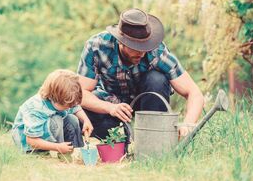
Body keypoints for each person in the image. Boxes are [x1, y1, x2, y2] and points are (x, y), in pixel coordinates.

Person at [77, 8, 204, 141]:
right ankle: (123, 138)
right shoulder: (97, 46)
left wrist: (187, 125)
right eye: (136, 47)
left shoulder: (157, 52)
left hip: (148, 106)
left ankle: (154, 141)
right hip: (111, 106)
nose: (142, 53)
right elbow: (81, 94)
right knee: (79, 116)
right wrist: (110, 108)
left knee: (157, 79)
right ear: (121, 41)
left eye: (145, 47)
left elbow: (194, 93)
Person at [11, 69, 93, 154]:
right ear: (53, 97)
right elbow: (31, 140)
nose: (69, 108)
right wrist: (57, 147)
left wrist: (86, 120)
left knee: (72, 119)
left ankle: (66, 152)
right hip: (29, 143)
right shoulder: (36, 109)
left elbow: (75, 107)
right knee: (56, 120)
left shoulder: (61, 101)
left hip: (46, 131)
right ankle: (41, 152)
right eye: (67, 105)